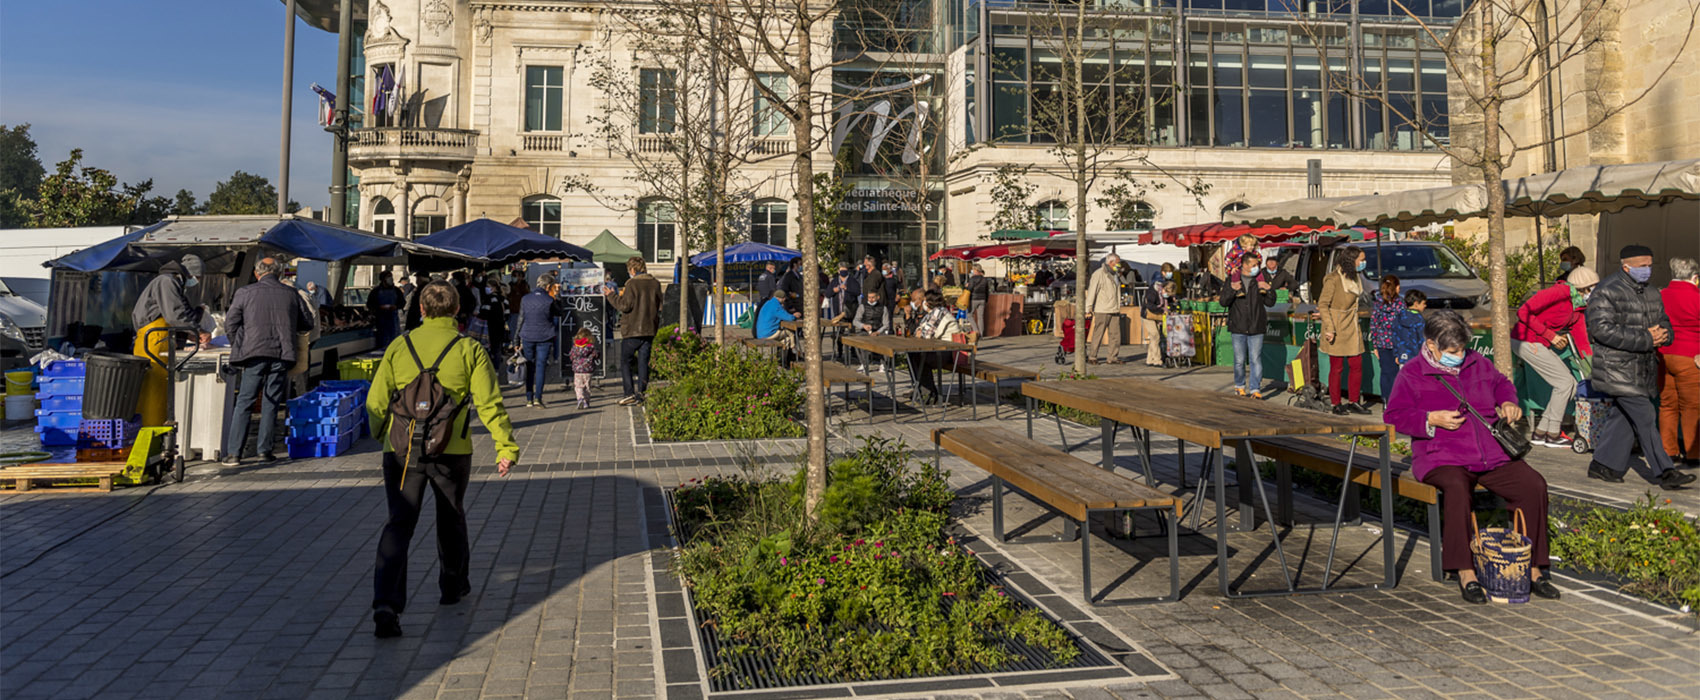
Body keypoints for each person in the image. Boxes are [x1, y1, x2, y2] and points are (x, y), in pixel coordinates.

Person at [367, 281, 517, 639]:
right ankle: (452, 585)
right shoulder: (469, 349)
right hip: (452, 448)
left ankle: (386, 605)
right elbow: (489, 403)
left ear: (420, 310)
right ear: (456, 311)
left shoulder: (399, 346)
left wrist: (383, 435)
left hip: (402, 451)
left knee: (398, 523)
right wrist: (505, 446)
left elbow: (376, 400)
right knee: (451, 515)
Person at [1384, 309, 1559, 605]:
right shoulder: (1411, 372)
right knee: (1456, 489)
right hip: (1441, 457)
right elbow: (1395, 415)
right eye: (1453, 351)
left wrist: (1508, 401)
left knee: (1533, 485)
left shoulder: (1478, 362)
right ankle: (1465, 571)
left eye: (1463, 349)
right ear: (1431, 346)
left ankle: (1533, 568)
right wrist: (1431, 419)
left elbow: (1502, 384)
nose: (1460, 355)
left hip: (1491, 454)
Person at [1585, 245, 1695, 489]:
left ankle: (1603, 465)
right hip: (1616, 368)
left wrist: (1664, 334)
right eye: (1642, 266)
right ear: (1626, 267)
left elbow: (1664, 321)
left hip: (1643, 367)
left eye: (1650, 265)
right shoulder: (1606, 291)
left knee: (1623, 418)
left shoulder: (1652, 292)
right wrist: (1646, 338)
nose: (1647, 270)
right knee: (1645, 416)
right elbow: (1601, 329)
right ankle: (1665, 472)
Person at [221, 256, 315, 466]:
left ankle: (234, 453)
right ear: (279, 273)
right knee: (271, 402)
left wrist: (239, 344)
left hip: (253, 354)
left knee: (245, 401)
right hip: (281, 354)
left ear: (257, 273)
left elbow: (231, 323)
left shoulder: (245, 292)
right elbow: (307, 322)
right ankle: (265, 451)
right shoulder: (291, 293)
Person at [1513, 265, 1599, 448]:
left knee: (1573, 385)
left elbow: (1581, 340)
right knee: (1564, 383)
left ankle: (1541, 431)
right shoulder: (1559, 292)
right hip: (1525, 340)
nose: (1595, 292)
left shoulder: (1579, 307)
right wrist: (1550, 335)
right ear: (1583, 287)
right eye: (1593, 288)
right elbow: (1523, 312)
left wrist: (1591, 367)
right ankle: (1552, 434)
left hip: (1538, 341)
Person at [132, 254, 207, 427]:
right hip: (154, 339)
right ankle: (151, 428)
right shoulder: (167, 281)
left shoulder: (172, 281)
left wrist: (186, 334)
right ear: (191, 273)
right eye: (197, 277)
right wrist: (197, 331)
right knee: (154, 387)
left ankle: (158, 426)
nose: (196, 281)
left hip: (159, 336)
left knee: (162, 387)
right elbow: (175, 314)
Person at [1318, 246, 1370, 415]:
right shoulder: (1332, 279)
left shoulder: (1355, 277)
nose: (1363, 263)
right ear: (1351, 260)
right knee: (1337, 367)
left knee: (1356, 364)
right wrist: (1329, 328)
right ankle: (1335, 403)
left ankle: (1354, 401)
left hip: (1352, 325)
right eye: (1361, 259)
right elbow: (1323, 304)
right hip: (1337, 325)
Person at [1659, 257, 1700, 468]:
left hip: (1664, 355)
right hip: (1690, 356)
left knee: (1667, 405)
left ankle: (1669, 451)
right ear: (1695, 278)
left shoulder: (1661, 295)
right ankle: (1693, 454)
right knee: (1691, 407)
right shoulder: (1697, 297)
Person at [607, 257, 662, 406]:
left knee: (626, 361)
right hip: (649, 329)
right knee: (644, 362)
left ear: (632, 270)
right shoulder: (655, 283)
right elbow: (660, 306)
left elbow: (625, 306)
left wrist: (610, 295)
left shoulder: (631, 284)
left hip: (632, 330)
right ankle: (641, 394)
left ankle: (629, 393)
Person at [1220, 252, 1275, 397]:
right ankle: (1239, 385)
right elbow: (1223, 302)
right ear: (1244, 265)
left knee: (1255, 359)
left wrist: (1269, 289)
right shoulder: (1232, 280)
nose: (1256, 268)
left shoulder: (1260, 280)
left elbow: (1270, 302)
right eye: (1253, 265)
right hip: (1238, 325)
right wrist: (1233, 290)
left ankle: (1255, 389)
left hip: (1257, 325)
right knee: (1239, 360)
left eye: (1257, 265)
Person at [910, 289, 962, 405]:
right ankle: (924, 391)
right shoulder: (932, 313)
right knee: (913, 355)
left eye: (923, 300)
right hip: (939, 349)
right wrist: (920, 331)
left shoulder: (939, 312)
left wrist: (920, 331)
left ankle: (928, 394)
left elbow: (926, 334)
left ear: (927, 302)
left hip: (948, 352)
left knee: (919, 357)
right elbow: (919, 330)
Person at [517, 275, 562, 407]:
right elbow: (559, 312)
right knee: (541, 366)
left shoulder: (525, 299)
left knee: (529, 366)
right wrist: (557, 296)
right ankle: (538, 398)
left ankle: (529, 398)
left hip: (527, 335)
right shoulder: (549, 299)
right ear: (548, 287)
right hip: (544, 336)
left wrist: (515, 340)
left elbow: (521, 319)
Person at [1085, 254, 1126, 365]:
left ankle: (1112, 357)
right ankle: (1092, 356)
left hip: (1114, 308)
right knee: (1098, 334)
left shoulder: (1116, 274)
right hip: (1102, 309)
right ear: (1111, 262)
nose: (1119, 264)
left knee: (1115, 335)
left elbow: (1123, 285)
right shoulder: (1099, 274)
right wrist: (1088, 308)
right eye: (1117, 262)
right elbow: (1092, 291)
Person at [1369, 275, 1405, 402]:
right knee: (1396, 373)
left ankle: (1385, 400)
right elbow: (1403, 325)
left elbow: (1374, 324)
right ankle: (1395, 401)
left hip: (1382, 343)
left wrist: (1375, 344)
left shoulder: (1378, 302)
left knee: (1385, 372)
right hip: (1397, 344)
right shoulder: (1400, 303)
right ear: (1397, 287)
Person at [476, 276, 508, 378]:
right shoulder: (504, 299)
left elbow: (484, 313)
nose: (487, 288)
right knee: (497, 349)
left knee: (488, 349)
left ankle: (488, 368)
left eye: (488, 286)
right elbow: (507, 313)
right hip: (501, 327)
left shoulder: (489, 299)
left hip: (489, 328)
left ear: (493, 287)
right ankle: (497, 369)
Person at [852, 289, 891, 374]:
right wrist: (863, 326)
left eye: (873, 297)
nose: (871, 299)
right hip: (865, 331)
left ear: (878, 297)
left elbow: (886, 324)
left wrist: (878, 332)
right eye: (869, 297)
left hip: (879, 331)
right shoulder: (862, 307)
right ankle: (863, 363)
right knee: (857, 340)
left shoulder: (883, 308)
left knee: (886, 341)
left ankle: (883, 364)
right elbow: (855, 321)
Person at [366, 271, 404, 349]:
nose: (391, 279)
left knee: (394, 341)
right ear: (383, 279)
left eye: (391, 276)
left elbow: (402, 302)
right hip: (380, 320)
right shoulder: (375, 291)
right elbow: (370, 304)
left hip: (393, 320)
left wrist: (396, 306)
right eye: (388, 277)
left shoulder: (397, 290)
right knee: (382, 341)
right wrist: (379, 307)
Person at [1139, 274, 1170, 367]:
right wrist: (1161, 310)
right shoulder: (1152, 291)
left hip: (1155, 316)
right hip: (1148, 315)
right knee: (1156, 336)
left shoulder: (1161, 292)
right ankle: (1157, 360)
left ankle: (1149, 359)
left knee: (1153, 338)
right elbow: (1149, 305)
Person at [1393, 290, 1428, 366]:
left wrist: (1396, 354)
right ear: (1416, 303)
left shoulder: (1399, 316)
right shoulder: (1419, 319)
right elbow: (1422, 339)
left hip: (1402, 355)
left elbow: (1395, 336)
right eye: (1423, 303)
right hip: (1416, 357)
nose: (1425, 306)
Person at [569, 327, 600, 409]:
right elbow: (596, 355)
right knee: (587, 387)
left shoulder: (575, 347)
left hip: (577, 370)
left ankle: (580, 398)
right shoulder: (591, 347)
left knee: (578, 386)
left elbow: (571, 356)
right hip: (588, 370)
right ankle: (586, 402)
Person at [964, 264, 990, 337]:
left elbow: (970, 289)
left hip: (973, 299)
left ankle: (976, 331)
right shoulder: (985, 279)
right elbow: (987, 291)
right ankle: (981, 334)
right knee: (980, 317)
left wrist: (966, 286)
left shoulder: (972, 279)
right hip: (982, 299)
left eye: (973, 269)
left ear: (975, 270)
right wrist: (986, 300)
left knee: (969, 315)